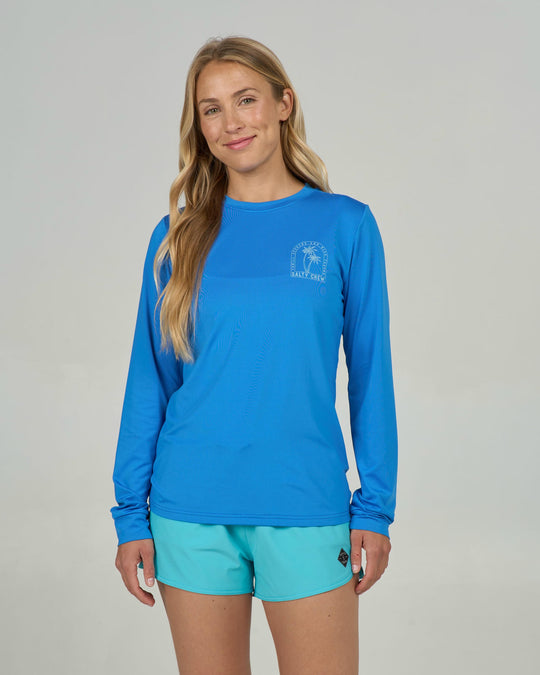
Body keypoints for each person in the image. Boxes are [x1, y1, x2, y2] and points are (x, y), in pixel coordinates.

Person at [110, 35, 398, 675]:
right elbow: (150, 380)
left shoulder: (345, 225)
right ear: (199, 126)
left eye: (246, 100)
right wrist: (131, 516)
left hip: (304, 503)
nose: (231, 122)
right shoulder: (176, 235)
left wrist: (375, 508)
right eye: (211, 109)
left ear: (284, 103)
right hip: (190, 509)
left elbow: (370, 377)